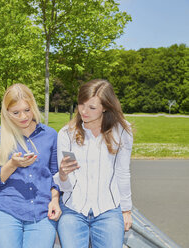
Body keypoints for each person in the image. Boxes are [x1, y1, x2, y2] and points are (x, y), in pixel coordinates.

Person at [54, 79, 133, 248]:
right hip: (73, 210)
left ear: (105, 107)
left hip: (109, 210)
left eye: (92, 107)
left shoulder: (122, 131)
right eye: (81, 104)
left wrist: (126, 210)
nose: (84, 111)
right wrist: (62, 175)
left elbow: (122, 172)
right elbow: (66, 187)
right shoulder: (67, 134)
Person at [0, 83, 62, 248]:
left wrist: (55, 200)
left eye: (27, 110)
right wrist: (12, 164)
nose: (23, 117)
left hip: (42, 213)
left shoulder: (50, 135)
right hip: (5, 211)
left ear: (33, 106)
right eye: (16, 113)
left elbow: (56, 176)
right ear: (6, 113)